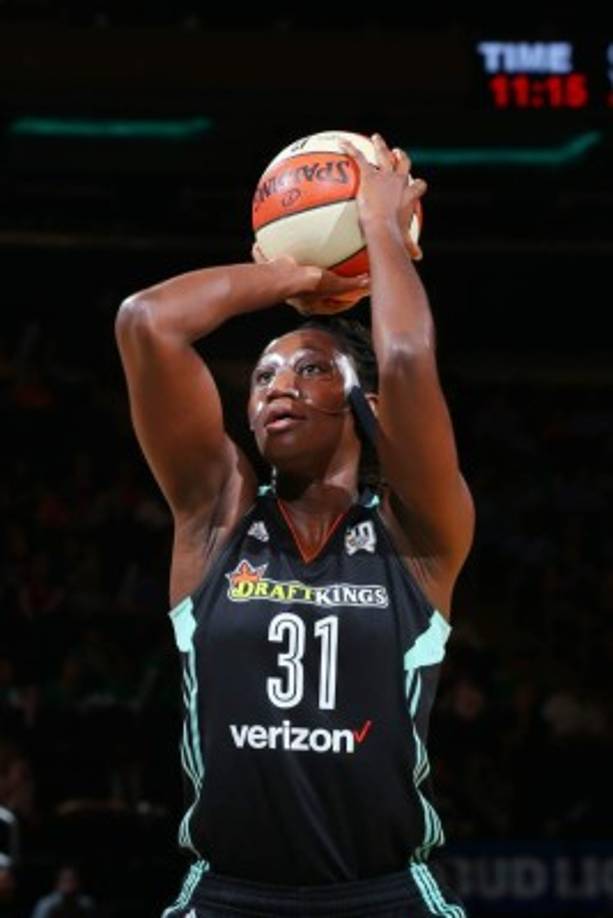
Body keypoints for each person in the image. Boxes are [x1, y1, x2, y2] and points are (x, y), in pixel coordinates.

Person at [115, 133, 474, 917]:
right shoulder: (215, 516)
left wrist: (377, 225)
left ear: (366, 412)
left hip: (381, 896)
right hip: (227, 894)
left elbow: (407, 357)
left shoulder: (418, 536)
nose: (278, 384)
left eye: (311, 369)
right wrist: (298, 273)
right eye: (265, 373)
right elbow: (147, 322)